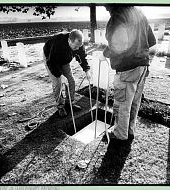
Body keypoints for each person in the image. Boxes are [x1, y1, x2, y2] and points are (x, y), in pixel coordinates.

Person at [102, 5, 156, 142]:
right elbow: (152, 41)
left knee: (121, 104)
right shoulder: (139, 13)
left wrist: (105, 53)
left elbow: (119, 43)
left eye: (106, 5)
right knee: (133, 102)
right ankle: (129, 131)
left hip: (127, 68)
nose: (105, 8)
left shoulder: (118, 15)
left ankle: (120, 134)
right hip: (143, 65)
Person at [43, 29, 91, 117]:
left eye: (79, 46)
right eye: (75, 46)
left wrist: (87, 70)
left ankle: (69, 103)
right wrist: (60, 75)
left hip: (65, 59)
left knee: (71, 81)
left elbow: (82, 58)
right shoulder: (57, 43)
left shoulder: (79, 45)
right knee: (58, 83)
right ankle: (60, 106)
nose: (77, 49)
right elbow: (52, 62)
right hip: (51, 59)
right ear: (69, 40)